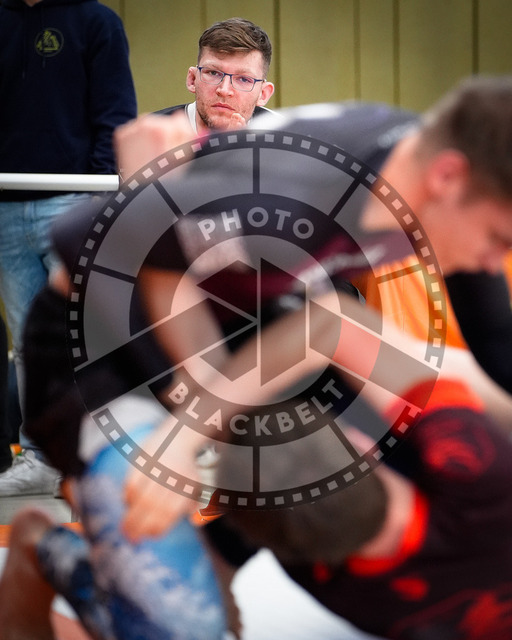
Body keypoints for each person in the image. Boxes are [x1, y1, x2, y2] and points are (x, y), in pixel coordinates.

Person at [0, 0, 137, 495]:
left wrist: (93, 203)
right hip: (5, 204)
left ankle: (101, 457)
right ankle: (40, 458)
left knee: (88, 335)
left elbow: (115, 114)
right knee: (28, 344)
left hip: (73, 203)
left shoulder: (96, 22)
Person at [154, 18, 275, 136]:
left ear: (263, 94)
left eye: (244, 79)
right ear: (192, 79)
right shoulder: (155, 135)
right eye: (213, 73)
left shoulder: (281, 138)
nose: (224, 90)